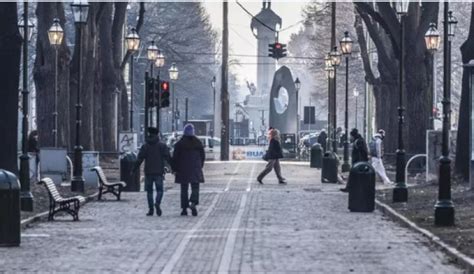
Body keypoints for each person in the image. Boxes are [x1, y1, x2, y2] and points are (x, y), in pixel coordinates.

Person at [133, 127, 171, 217]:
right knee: (160, 190)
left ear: (149, 134)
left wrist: (134, 169)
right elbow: (168, 158)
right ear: (157, 134)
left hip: (148, 171)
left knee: (149, 191)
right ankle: (157, 203)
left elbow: (139, 159)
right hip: (159, 171)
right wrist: (173, 167)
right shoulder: (162, 146)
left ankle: (150, 209)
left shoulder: (145, 146)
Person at [171, 124, 205, 216]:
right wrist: (200, 166)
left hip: (183, 169)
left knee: (184, 189)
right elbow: (202, 156)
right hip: (195, 168)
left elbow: (175, 158)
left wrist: (174, 169)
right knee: (195, 187)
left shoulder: (179, 144)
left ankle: (184, 209)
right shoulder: (198, 143)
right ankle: (193, 202)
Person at [340, 128, 369, 192]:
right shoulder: (360, 140)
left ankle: (350, 188)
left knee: (353, 176)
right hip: (360, 161)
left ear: (353, 136)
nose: (350, 138)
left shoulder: (358, 142)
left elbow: (362, 152)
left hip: (358, 162)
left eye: (351, 136)